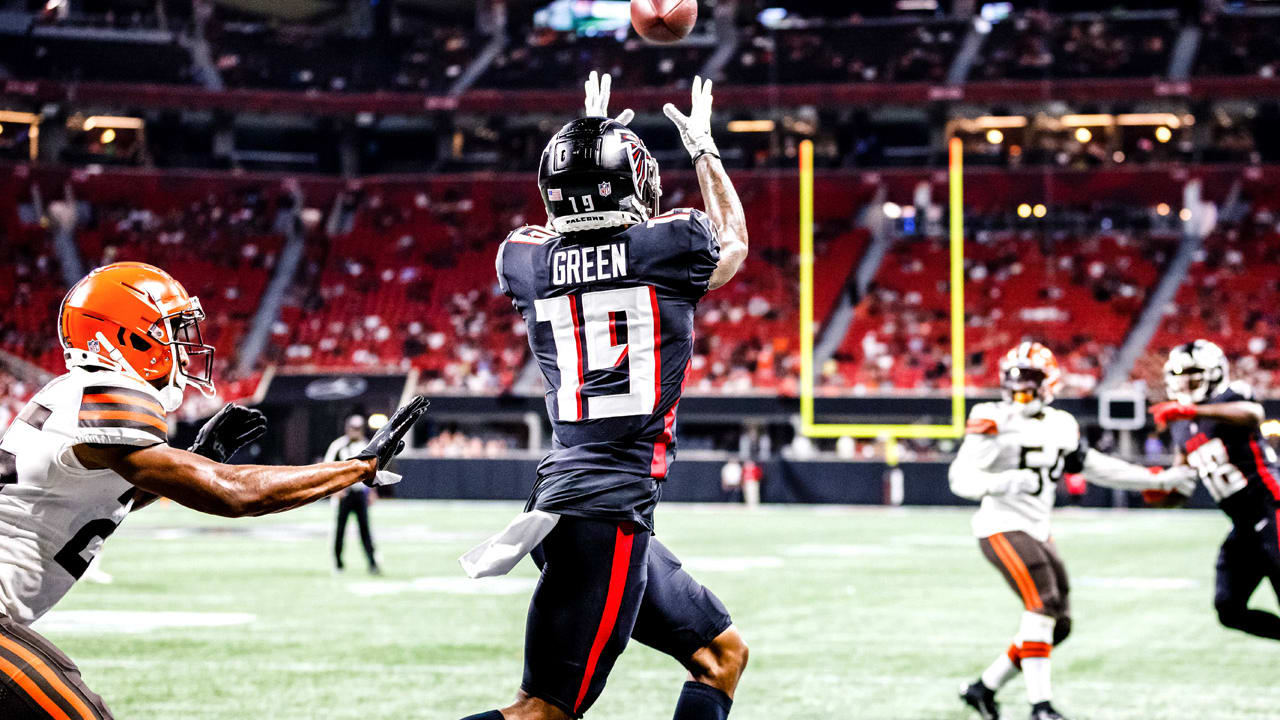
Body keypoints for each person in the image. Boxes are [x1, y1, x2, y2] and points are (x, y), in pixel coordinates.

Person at [0, 262, 427, 719]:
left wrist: (201, 455)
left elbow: (116, 494)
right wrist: (355, 468)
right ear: (127, 337)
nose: (185, 349)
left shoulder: (74, 393)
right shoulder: (106, 390)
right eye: (172, 331)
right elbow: (233, 495)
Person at [459, 72, 749, 720]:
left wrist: (585, 145)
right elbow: (733, 244)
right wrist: (704, 150)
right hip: (605, 507)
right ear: (638, 183)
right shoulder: (669, 247)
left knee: (720, 654)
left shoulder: (524, 261)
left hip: (574, 499)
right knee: (544, 711)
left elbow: (565, 238)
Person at [950, 341, 1195, 720]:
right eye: (1014, 379)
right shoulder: (991, 418)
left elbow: (1096, 466)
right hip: (1000, 524)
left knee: (1058, 624)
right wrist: (1005, 482)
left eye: (1029, 379)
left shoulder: (1061, 425)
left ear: (1049, 383)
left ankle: (983, 688)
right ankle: (1040, 707)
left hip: (1036, 527)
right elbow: (960, 479)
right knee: (1043, 605)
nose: (1020, 388)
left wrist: (1157, 479)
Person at [1152, 339, 1280, 641]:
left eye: (1194, 374)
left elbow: (1252, 414)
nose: (1185, 381)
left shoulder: (1230, 397)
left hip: (1272, 507)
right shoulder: (1181, 424)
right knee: (1229, 607)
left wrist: (1192, 410)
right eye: (1180, 375)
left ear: (1214, 373)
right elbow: (1181, 487)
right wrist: (1159, 492)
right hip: (1244, 526)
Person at [327, 414, 380, 574]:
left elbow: (373, 471)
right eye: (353, 428)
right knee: (340, 529)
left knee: (365, 529)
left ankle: (372, 563)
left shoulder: (367, 446)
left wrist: (372, 491)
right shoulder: (338, 446)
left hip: (360, 494)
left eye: (358, 428)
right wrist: (335, 489)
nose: (356, 431)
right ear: (347, 428)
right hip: (345, 493)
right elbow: (328, 469)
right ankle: (338, 563)